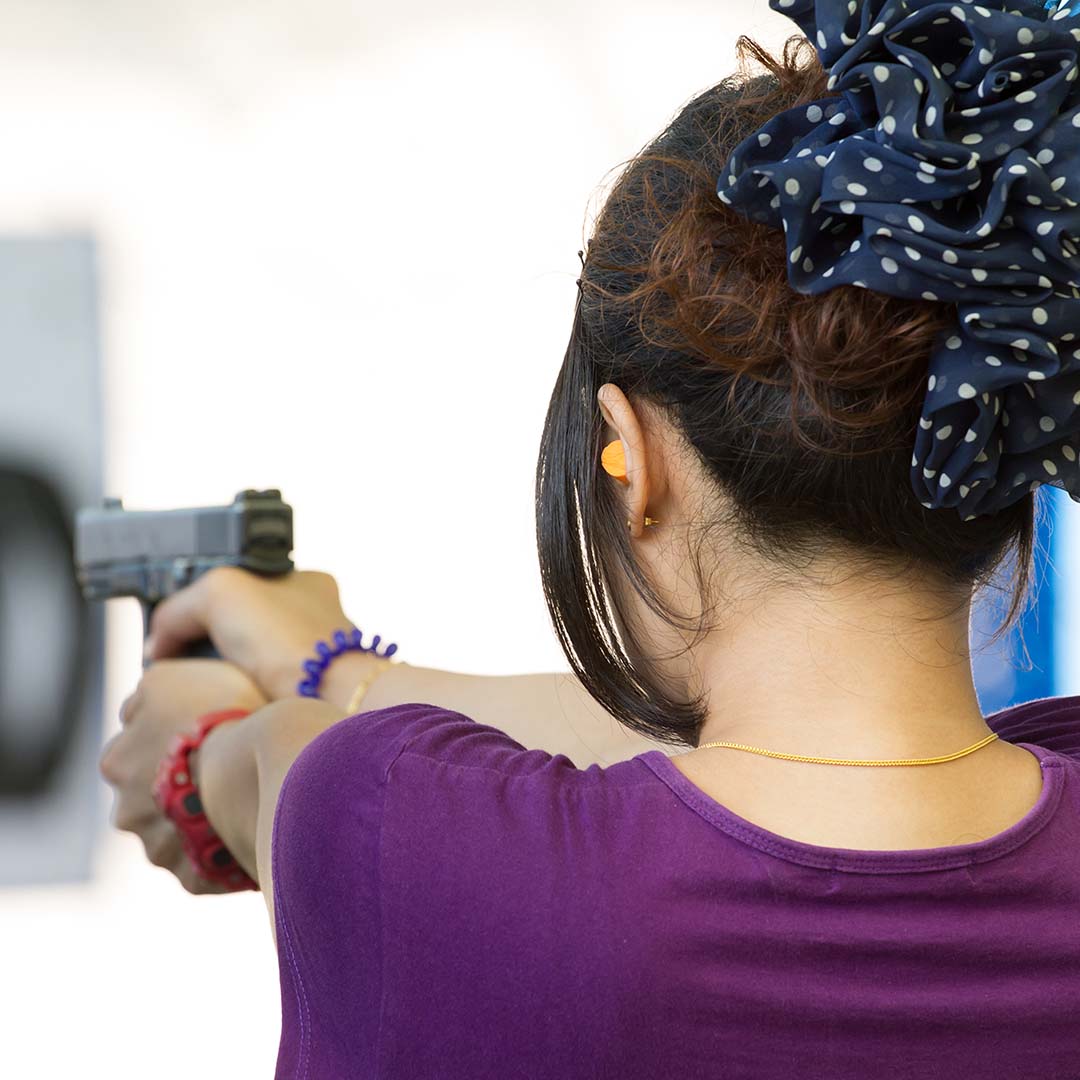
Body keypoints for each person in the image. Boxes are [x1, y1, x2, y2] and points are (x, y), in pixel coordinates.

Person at [98, 2, 1080, 1076]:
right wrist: (338, 670)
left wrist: (205, 751)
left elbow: (272, 776)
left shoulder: (392, 828)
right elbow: (784, 775)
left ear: (632, 456)